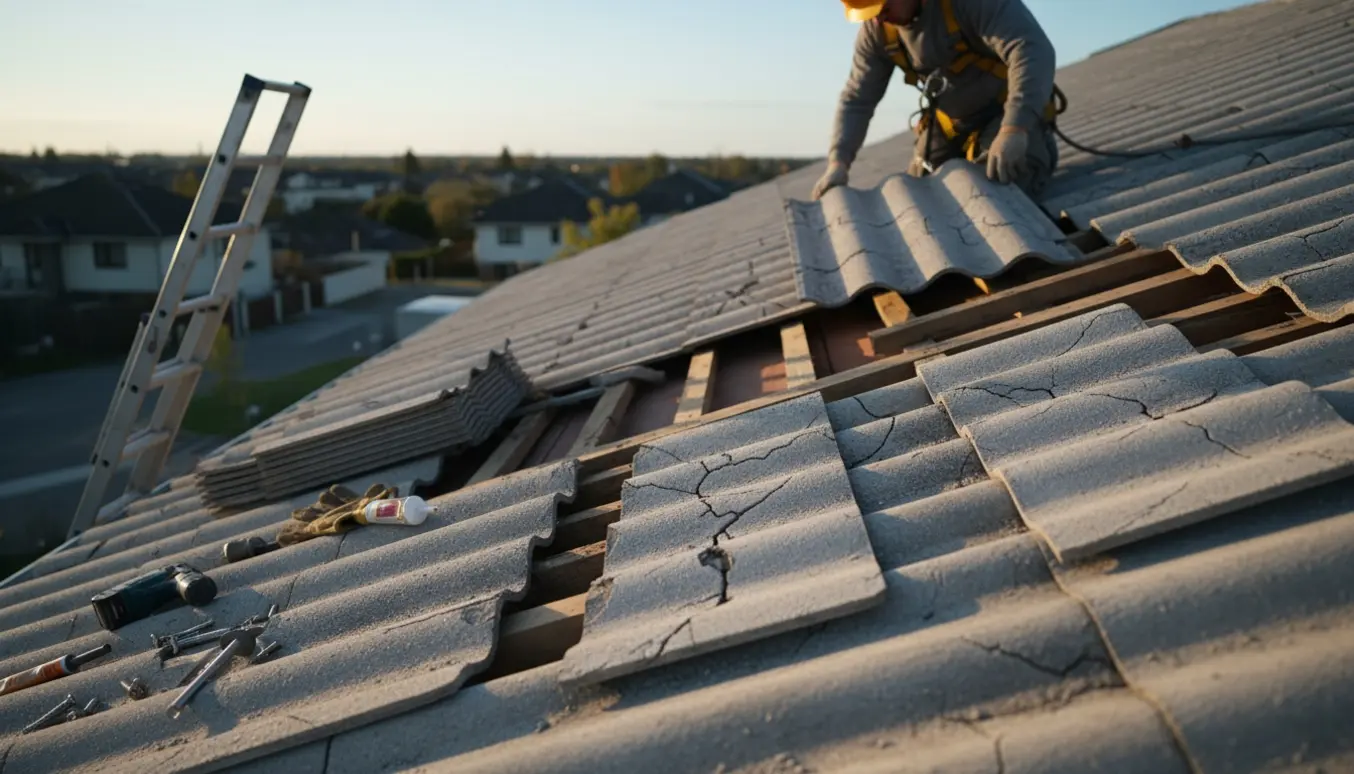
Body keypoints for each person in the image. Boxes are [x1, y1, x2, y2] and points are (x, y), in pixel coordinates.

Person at [813, 0, 1059, 200]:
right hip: (949, 125)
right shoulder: (877, 31)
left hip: (1003, 114)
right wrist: (839, 162)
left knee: (998, 190)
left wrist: (1015, 128)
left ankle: (1035, 144)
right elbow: (858, 99)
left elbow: (1030, 48)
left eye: (884, 9)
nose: (878, 19)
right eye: (870, 14)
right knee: (921, 201)